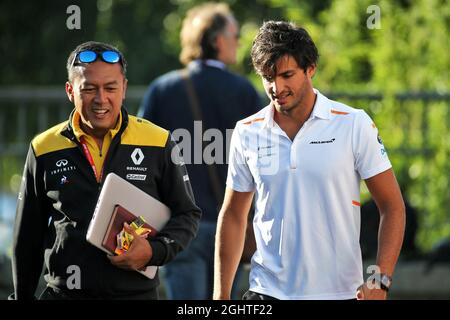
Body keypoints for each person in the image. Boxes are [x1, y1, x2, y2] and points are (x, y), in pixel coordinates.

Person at [213, 21, 406, 300]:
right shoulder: (247, 131)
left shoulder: (353, 124)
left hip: (339, 293)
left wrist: (380, 280)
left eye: (287, 75)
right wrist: (220, 297)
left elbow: (393, 206)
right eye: (268, 77)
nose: (276, 87)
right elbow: (233, 216)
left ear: (310, 68)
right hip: (265, 293)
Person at [11, 41, 201, 300]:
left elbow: (187, 214)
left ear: (123, 88)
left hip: (137, 294)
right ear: (70, 91)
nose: (101, 99)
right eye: (89, 89)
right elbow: (27, 236)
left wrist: (154, 251)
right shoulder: (44, 147)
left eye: (110, 88)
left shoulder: (158, 141)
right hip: (64, 294)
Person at [138, 3, 260, 300]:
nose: (239, 43)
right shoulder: (245, 92)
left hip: (180, 229)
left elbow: (140, 159)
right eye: (235, 35)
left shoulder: (162, 90)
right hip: (233, 229)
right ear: (218, 41)